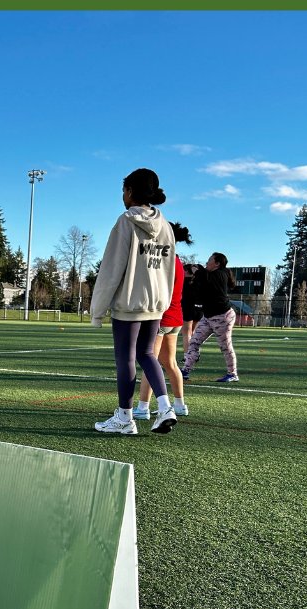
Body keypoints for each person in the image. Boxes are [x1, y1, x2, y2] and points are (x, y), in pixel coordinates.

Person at [91, 167, 177, 436]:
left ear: (129, 191)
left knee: (126, 358)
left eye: (124, 191)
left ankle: (125, 418)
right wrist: (164, 300)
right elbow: (169, 270)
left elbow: (111, 268)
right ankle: (165, 407)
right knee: (147, 354)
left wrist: (97, 310)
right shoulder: (165, 226)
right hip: (155, 303)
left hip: (129, 303)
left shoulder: (126, 221)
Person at [134, 222, 192, 420]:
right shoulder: (177, 261)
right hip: (176, 317)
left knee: (150, 361)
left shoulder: (165, 261)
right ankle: (180, 405)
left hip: (162, 317)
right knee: (170, 362)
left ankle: (142, 408)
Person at [180, 253, 238, 382]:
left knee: (226, 346)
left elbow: (207, 279)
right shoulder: (208, 275)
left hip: (222, 317)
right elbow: (201, 286)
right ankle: (185, 370)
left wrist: (197, 270)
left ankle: (232, 374)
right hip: (208, 317)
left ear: (217, 263)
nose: (206, 263)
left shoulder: (220, 274)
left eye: (209, 260)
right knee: (194, 342)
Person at [180, 258, 203, 363]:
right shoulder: (199, 281)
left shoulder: (184, 282)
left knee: (186, 333)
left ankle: (187, 356)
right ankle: (195, 354)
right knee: (193, 333)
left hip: (188, 308)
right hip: (199, 309)